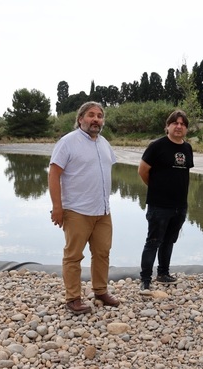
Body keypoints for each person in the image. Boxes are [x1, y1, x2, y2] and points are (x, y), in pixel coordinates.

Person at [48, 101, 120, 315]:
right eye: (91, 115)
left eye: (99, 116)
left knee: (102, 253)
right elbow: (54, 174)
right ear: (80, 119)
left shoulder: (104, 143)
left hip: (102, 211)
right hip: (77, 211)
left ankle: (100, 291)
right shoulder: (67, 143)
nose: (96, 119)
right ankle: (73, 298)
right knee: (73, 256)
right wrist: (57, 207)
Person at [138, 110, 194, 294]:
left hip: (180, 205)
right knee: (153, 241)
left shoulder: (187, 148)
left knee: (169, 241)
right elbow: (142, 171)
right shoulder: (157, 146)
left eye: (182, 124)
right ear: (167, 126)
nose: (179, 126)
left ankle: (163, 273)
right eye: (175, 123)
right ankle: (145, 279)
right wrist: (155, 188)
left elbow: (184, 174)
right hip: (159, 205)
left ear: (186, 128)